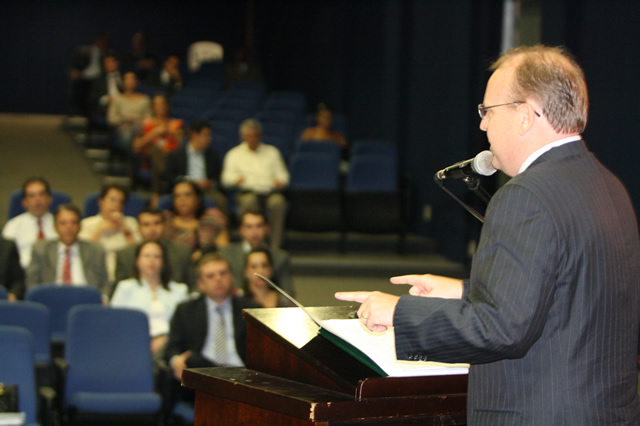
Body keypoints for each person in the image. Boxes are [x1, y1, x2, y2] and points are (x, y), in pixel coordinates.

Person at [335, 45, 640, 424]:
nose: (482, 125)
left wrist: (400, 312)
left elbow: (503, 329)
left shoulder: (525, 195)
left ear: (526, 115)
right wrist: (465, 290)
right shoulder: (607, 184)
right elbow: (567, 294)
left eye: (487, 111)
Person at [165, 253, 260, 381]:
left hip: (241, 375)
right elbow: (172, 348)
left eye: (223, 273)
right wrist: (176, 360)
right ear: (201, 284)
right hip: (203, 375)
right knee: (190, 362)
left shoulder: (251, 309)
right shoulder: (186, 310)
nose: (218, 279)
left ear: (232, 277)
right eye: (210, 276)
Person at [111, 240, 189, 358]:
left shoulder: (180, 290)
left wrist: (165, 339)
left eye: (157, 256)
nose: (151, 261)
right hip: (134, 345)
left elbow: (185, 328)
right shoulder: (125, 288)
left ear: (164, 262)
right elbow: (115, 324)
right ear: (137, 261)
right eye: (146, 256)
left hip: (170, 346)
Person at [221, 118, 289, 249]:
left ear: (260, 136)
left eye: (255, 135)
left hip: (270, 192)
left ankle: (275, 247)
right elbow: (225, 178)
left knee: (279, 203)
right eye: (249, 136)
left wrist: (281, 181)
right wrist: (236, 179)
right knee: (249, 202)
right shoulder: (234, 154)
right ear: (243, 137)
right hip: (247, 192)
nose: (252, 138)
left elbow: (284, 175)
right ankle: (249, 246)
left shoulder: (272, 152)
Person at [27, 204, 108, 293]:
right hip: (52, 298)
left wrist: (103, 297)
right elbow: (32, 281)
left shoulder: (95, 250)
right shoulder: (41, 249)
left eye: (73, 222)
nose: (69, 227)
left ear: (80, 226)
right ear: (55, 227)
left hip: (85, 297)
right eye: (63, 223)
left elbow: (105, 281)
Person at [114, 208, 195, 291]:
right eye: (146, 224)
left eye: (157, 223)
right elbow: (118, 288)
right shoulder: (125, 255)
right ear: (138, 228)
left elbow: (194, 284)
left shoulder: (183, 252)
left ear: (164, 226)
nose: (152, 229)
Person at [219, 209, 294, 296]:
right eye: (249, 227)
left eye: (259, 226)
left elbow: (288, 293)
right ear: (241, 230)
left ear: (267, 229)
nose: (254, 231)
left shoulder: (280, 257)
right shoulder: (226, 255)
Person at [163, 120, 228, 216]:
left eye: (209, 135)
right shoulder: (176, 155)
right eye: (206, 135)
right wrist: (189, 182)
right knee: (163, 201)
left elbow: (217, 178)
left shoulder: (212, 156)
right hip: (183, 188)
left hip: (206, 190)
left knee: (221, 200)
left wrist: (210, 183)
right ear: (194, 135)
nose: (209, 139)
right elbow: (169, 176)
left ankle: (223, 229)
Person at [79, 185, 141, 281]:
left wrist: (126, 231)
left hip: (126, 275)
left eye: (120, 202)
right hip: (98, 275)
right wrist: (99, 231)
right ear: (101, 202)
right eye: (112, 200)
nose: (116, 205)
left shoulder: (131, 223)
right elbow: (85, 255)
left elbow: (138, 255)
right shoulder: (86, 224)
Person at [163, 180, 229, 262]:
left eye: (187, 195)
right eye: (177, 196)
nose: (182, 199)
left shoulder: (213, 219)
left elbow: (224, 252)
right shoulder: (165, 221)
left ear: (197, 198)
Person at [132, 94, 183, 195]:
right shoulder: (146, 124)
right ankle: (161, 187)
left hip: (172, 158)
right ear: (153, 107)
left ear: (167, 106)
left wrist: (171, 132)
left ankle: (158, 192)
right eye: (157, 104)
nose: (160, 107)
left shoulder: (176, 124)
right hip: (150, 160)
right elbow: (136, 147)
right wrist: (154, 133)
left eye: (162, 104)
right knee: (154, 150)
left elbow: (183, 147)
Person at [2, 177, 57, 269]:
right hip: (23, 275)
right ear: (24, 202)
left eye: (41, 194)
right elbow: (5, 258)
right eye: (32, 196)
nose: (37, 199)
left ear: (49, 199)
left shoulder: (62, 224)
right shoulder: (13, 225)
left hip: (55, 274)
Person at [107, 71, 152, 152]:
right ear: (123, 82)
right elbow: (111, 119)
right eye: (127, 79)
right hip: (123, 127)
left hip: (140, 126)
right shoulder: (117, 98)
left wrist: (138, 118)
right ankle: (133, 157)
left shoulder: (144, 99)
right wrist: (125, 118)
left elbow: (150, 118)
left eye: (132, 79)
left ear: (136, 81)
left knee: (149, 134)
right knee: (127, 135)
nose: (130, 82)